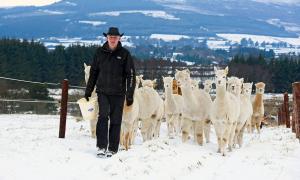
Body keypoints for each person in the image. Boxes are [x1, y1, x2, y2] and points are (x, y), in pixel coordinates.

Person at [85, 27, 136, 158]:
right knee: (102, 117)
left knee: (116, 120)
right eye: (110, 37)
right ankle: (101, 146)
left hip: (119, 93)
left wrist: (130, 94)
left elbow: (131, 75)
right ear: (107, 38)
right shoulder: (99, 53)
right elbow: (94, 73)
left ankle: (113, 148)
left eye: (115, 37)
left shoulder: (125, 54)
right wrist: (88, 90)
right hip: (102, 91)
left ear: (119, 38)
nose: (113, 39)